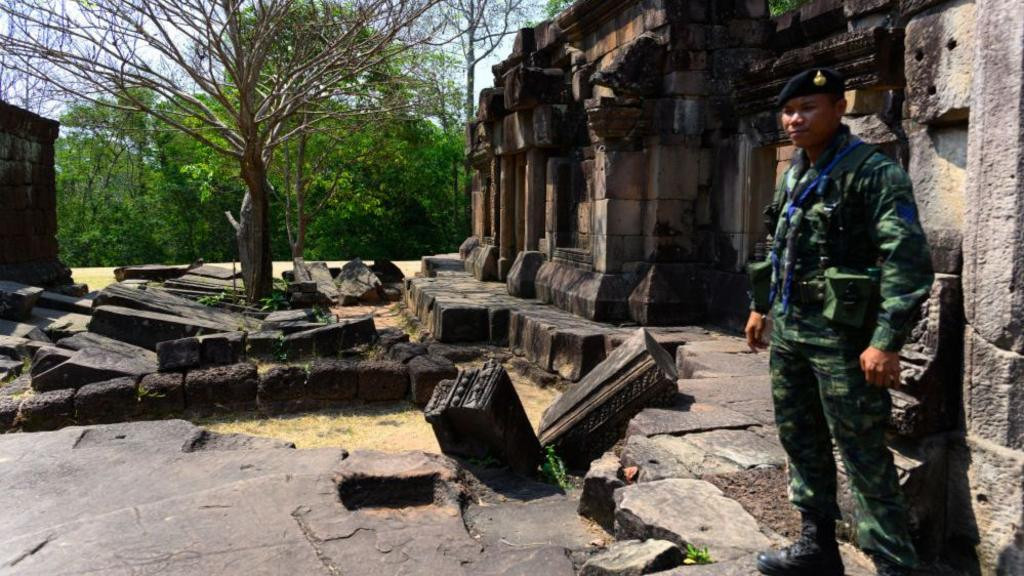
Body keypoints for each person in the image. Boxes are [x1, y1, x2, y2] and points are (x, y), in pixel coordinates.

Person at [745, 68, 933, 576]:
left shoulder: (873, 172)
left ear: (838, 107)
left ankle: (896, 565)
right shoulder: (795, 174)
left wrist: (887, 341)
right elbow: (778, 245)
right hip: (790, 332)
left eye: (807, 107)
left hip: (844, 340)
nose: (794, 118)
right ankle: (817, 548)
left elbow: (907, 261)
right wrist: (761, 306)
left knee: (863, 452)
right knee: (800, 438)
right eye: (788, 110)